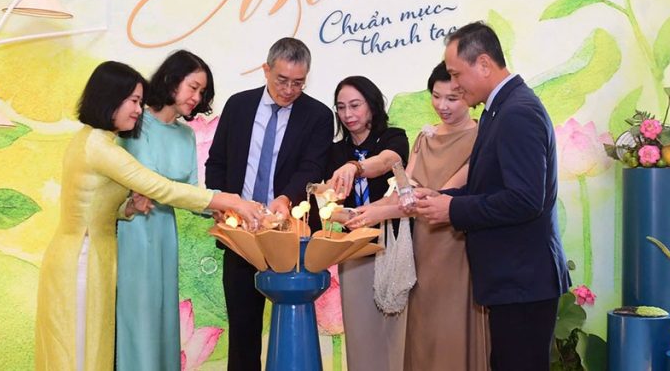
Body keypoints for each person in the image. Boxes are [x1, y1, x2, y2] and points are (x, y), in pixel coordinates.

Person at [33, 61, 262, 371]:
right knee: (79, 352)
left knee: (94, 348)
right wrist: (229, 200)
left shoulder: (98, 140)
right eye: (133, 101)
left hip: (95, 255)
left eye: (139, 102)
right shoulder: (100, 147)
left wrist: (128, 208)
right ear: (110, 98)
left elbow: (95, 202)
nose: (138, 110)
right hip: (81, 257)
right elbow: (161, 187)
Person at [415, 22, 570, 371]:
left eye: (457, 74)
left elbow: (525, 199)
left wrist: (453, 209)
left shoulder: (518, 112)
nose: (454, 85)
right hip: (512, 280)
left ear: (484, 64)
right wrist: (440, 197)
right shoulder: (498, 109)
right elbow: (489, 186)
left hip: (523, 280)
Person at [346, 63, 490, 371]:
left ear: (467, 95)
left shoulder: (481, 138)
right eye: (436, 96)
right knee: (423, 333)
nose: (442, 106)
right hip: (421, 247)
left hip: (457, 248)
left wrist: (376, 213)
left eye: (452, 98)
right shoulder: (425, 137)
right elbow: (405, 192)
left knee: (452, 331)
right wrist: (363, 211)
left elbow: (436, 198)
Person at [204, 37, 334, 371]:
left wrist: (286, 198)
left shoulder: (318, 115)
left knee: (293, 324)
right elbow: (217, 162)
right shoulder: (238, 106)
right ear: (266, 70)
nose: (289, 90)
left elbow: (312, 167)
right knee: (243, 330)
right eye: (282, 80)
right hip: (241, 233)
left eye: (298, 83)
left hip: (290, 236)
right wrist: (220, 200)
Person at [115, 50, 215, 371]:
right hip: (132, 228)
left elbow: (190, 192)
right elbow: (134, 184)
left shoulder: (186, 135)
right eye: (193, 87)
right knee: (136, 313)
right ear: (172, 81)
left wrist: (223, 210)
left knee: (162, 314)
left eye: (202, 91)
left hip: (164, 233)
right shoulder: (134, 123)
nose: (196, 97)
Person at [323, 76, 410, 371]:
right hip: (353, 250)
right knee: (360, 333)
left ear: (372, 105)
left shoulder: (394, 137)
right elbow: (326, 201)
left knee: (396, 333)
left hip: (392, 246)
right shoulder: (334, 151)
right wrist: (337, 212)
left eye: (355, 105)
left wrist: (355, 168)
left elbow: (387, 162)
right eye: (341, 107)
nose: (348, 114)